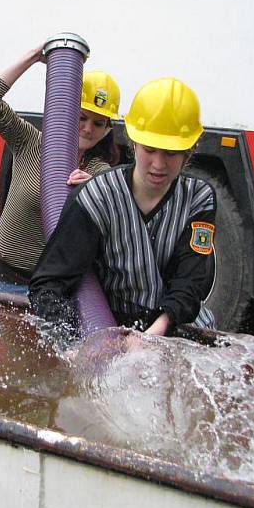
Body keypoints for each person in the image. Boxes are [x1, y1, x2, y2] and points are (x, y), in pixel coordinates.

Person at [29, 77, 216, 336]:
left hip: (175, 325)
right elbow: (49, 283)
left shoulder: (199, 198)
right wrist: (71, 342)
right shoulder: (97, 196)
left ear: (189, 150)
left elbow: (191, 280)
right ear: (134, 142)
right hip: (112, 326)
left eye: (171, 153)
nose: (159, 165)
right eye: (150, 150)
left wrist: (154, 334)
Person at [0, 45, 123, 295]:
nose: (88, 129)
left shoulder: (98, 171)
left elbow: (119, 219)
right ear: (67, 111)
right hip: (6, 278)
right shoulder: (30, 142)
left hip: (52, 289)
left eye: (98, 123)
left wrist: (98, 191)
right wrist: (33, 57)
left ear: (108, 129)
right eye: (82, 117)